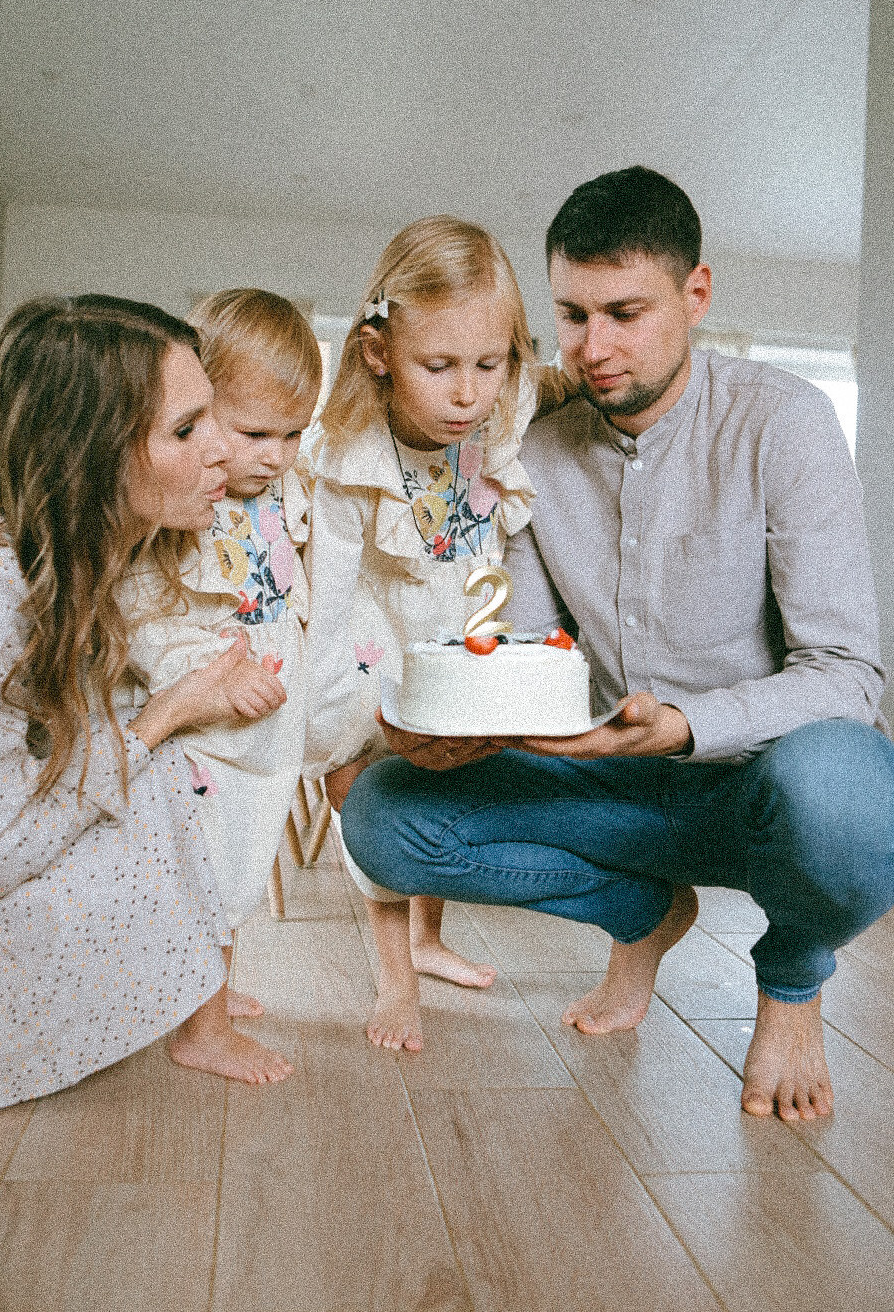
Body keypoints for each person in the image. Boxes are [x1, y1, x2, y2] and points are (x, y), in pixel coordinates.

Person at [340, 166, 894, 1121]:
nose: (594, 348)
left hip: (757, 791)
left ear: (696, 294)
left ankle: (792, 979)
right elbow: (526, 646)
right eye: (572, 315)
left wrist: (684, 724)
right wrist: (457, 729)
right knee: (384, 815)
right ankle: (642, 913)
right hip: (605, 781)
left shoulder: (785, 422)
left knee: (853, 796)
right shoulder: (534, 451)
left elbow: (847, 677)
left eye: (625, 313)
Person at [0, 293, 294, 1117]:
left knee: (154, 793)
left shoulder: (70, 549)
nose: (222, 449)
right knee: (136, 807)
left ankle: (183, 997)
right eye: (186, 430)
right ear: (95, 456)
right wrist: (169, 711)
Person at [303, 215, 554, 1053]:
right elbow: (329, 602)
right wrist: (333, 735)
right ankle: (395, 975)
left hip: (456, 628)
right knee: (375, 790)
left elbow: (544, 387)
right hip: (370, 645)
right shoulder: (346, 456)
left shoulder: (499, 406)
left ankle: (429, 938)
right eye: (438, 366)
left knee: (443, 771)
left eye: (489, 363)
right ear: (379, 352)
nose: (467, 394)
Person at [119, 288, 320, 1018]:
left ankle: (209, 992)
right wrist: (204, 674)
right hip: (203, 727)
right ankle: (199, 1023)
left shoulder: (285, 491)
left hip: (268, 726)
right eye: (255, 433)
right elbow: (142, 612)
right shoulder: (178, 499)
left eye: (293, 434)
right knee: (199, 872)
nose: (276, 455)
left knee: (240, 869)